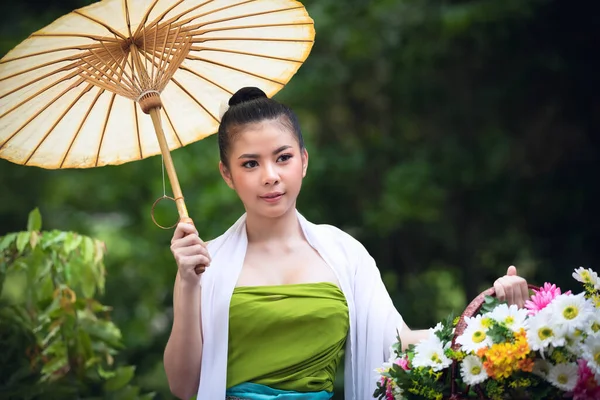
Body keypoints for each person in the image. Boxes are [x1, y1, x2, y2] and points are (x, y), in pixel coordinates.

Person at [163, 87, 529, 400]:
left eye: (283, 158)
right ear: (227, 173)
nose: (270, 176)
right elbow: (183, 386)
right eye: (250, 164)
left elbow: (398, 344)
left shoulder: (344, 253)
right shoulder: (203, 264)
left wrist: (491, 315)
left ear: (303, 162)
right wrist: (188, 282)